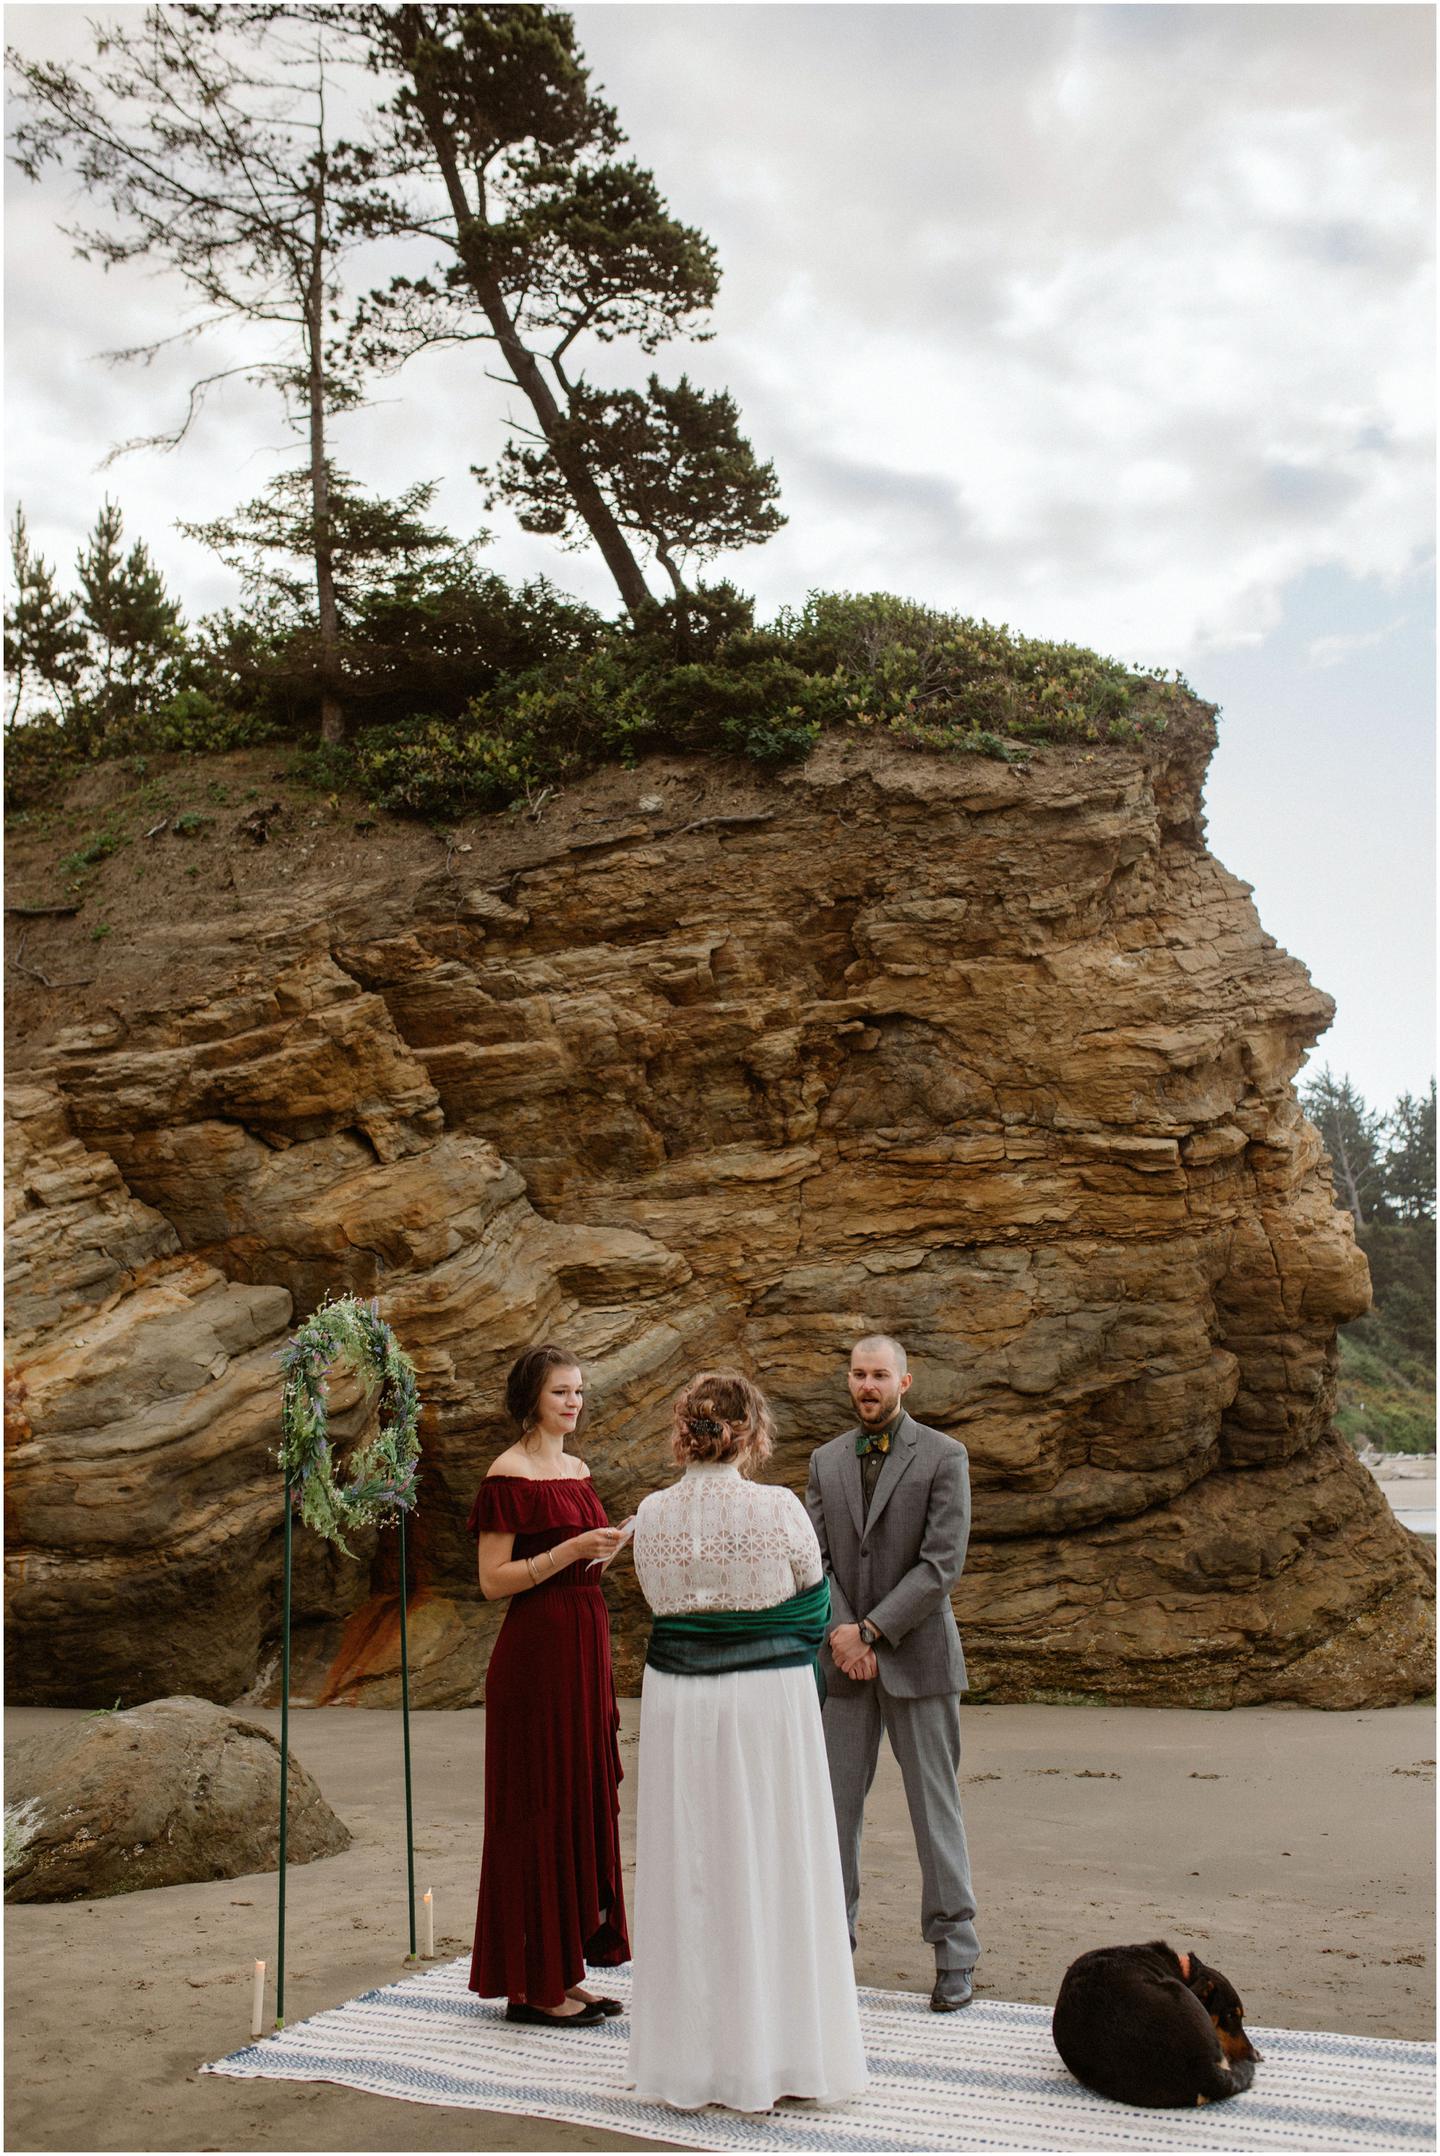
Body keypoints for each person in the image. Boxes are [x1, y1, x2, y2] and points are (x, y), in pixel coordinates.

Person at [628, 1371, 869, 2113]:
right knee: (772, 1858)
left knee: (693, 1864)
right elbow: (812, 1596)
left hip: (678, 1700)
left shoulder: (650, 1514)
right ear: (751, 1433)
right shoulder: (779, 1507)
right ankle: (785, 2055)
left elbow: (652, 1598)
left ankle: (692, 2064)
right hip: (768, 1702)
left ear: (684, 1432)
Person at [805, 1334, 980, 2012]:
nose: (867, 1385)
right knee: (832, 1815)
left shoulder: (945, 1456)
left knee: (935, 1811)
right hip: (843, 1662)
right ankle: (829, 1949)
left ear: (905, 1383)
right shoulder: (823, 1463)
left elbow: (942, 1564)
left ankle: (955, 1956)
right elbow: (812, 1562)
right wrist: (845, 1635)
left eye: (880, 1375)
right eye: (858, 1374)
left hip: (920, 1658)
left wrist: (873, 1630)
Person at [467, 1343, 630, 2025]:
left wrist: (605, 1550)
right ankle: (533, 1987)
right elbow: (491, 1581)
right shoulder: (508, 1474)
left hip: (583, 1641)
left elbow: (579, 1554)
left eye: (580, 1392)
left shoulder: (577, 1468)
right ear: (533, 1397)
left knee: (578, 1798)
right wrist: (567, 1551)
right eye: (562, 1392)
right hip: (535, 1655)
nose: (574, 1403)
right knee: (539, 1807)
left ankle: (563, 1968)